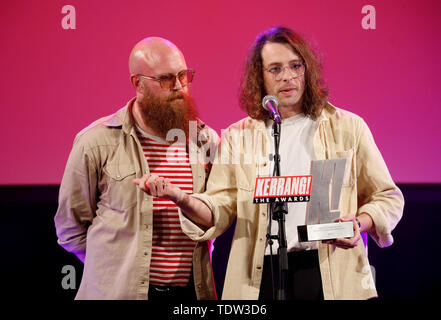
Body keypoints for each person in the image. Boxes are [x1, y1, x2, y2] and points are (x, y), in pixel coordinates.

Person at [134, 27, 404, 300]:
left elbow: (387, 197)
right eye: (275, 69)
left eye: (295, 66)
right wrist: (180, 197)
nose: (287, 76)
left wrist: (361, 222)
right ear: (259, 77)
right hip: (261, 275)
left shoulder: (347, 128)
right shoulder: (238, 137)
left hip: (331, 271)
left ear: (307, 69)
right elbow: (219, 205)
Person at [54, 37, 219, 300]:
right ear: (137, 83)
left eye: (183, 76)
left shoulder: (205, 140)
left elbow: (216, 215)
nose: (179, 86)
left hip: (190, 295)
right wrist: (111, 269)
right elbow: (70, 229)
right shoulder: (96, 142)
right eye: (166, 79)